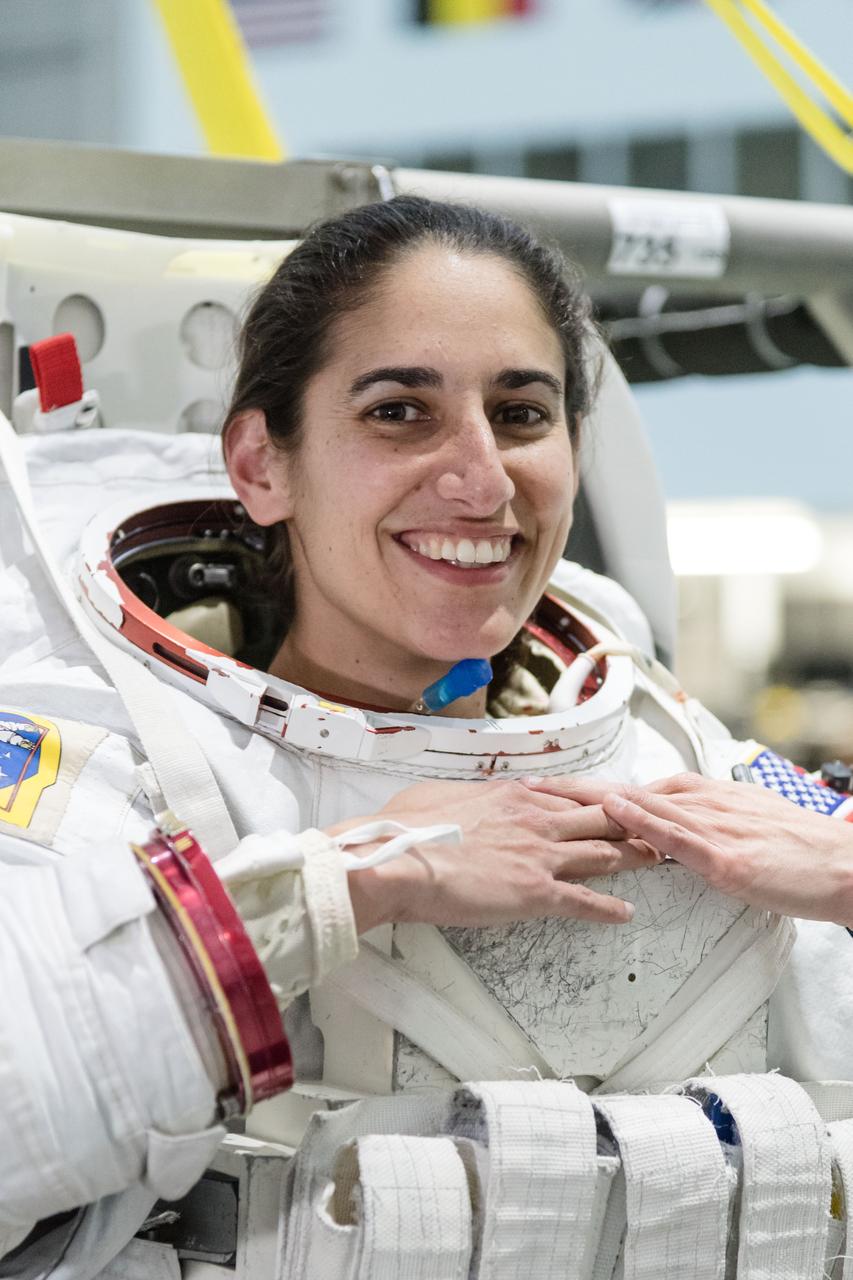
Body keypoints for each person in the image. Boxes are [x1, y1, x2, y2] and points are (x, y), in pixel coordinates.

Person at [1, 193, 851, 1276]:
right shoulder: (126, 774)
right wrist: (341, 884)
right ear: (262, 465)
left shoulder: (682, 758)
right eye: (400, 410)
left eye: (522, 412)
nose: (482, 479)